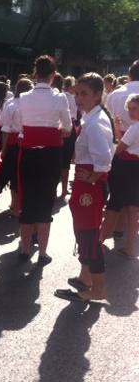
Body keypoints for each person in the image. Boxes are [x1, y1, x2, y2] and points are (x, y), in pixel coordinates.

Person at [55, 73, 114, 303]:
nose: (79, 98)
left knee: (88, 236)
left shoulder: (96, 122)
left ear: (98, 95)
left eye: (84, 94)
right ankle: (85, 279)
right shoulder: (92, 116)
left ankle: (98, 289)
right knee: (84, 233)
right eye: (77, 93)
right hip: (85, 183)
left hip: (90, 186)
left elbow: (104, 161)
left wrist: (90, 177)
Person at [16, 55, 72, 264]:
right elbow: (66, 128)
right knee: (46, 199)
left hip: (30, 153)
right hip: (50, 154)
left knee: (28, 198)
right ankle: (42, 253)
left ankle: (24, 248)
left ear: (35, 74)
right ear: (53, 75)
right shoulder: (59, 98)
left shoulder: (23, 97)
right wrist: (56, 129)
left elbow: (22, 124)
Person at [0, 78, 34, 225]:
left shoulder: (11, 104)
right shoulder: (28, 106)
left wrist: (4, 149)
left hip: (13, 144)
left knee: (6, 176)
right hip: (24, 145)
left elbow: (5, 129)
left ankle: (10, 206)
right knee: (15, 177)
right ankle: (11, 207)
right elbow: (5, 129)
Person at [101, 93, 139, 258]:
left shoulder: (135, 127)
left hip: (125, 167)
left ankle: (98, 241)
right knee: (132, 209)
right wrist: (118, 129)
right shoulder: (134, 127)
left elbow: (120, 149)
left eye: (135, 108)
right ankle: (131, 249)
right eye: (130, 109)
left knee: (114, 205)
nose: (131, 112)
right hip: (135, 167)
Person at [60, 75, 79, 198]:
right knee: (65, 161)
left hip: (57, 128)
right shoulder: (72, 98)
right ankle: (64, 189)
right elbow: (75, 116)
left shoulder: (59, 96)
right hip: (69, 128)